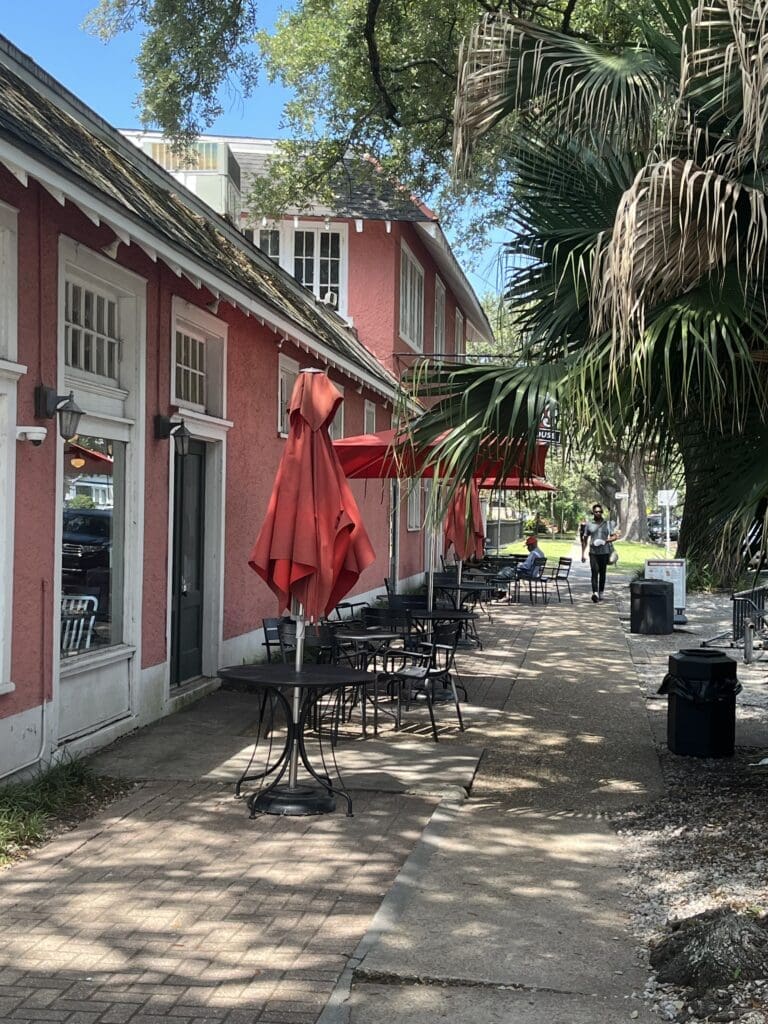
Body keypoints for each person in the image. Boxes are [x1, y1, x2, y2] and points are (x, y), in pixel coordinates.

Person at [581, 503, 620, 603]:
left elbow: (615, 536)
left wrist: (605, 541)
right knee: (594, 572)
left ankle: (601, 591)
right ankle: (595, 593)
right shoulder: (589, 524)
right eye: (596, 512)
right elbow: (585, 539)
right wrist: (583, 553)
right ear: (593, 513)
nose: (598, 513)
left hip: (604, 552)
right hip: (593, 552)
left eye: (599, 511)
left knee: (602, 573)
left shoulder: (607, 524)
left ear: (602, 512)